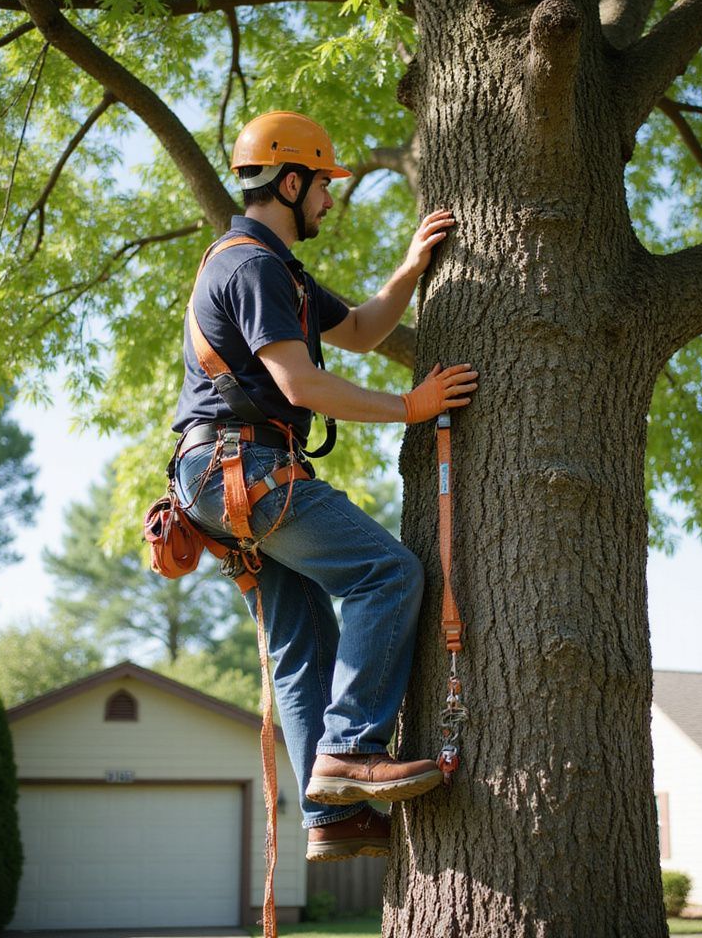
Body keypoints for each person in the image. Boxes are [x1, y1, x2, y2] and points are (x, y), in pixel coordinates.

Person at [171, 111, 478, 862]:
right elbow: (299, 384)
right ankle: (350, 751)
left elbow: (365, 330)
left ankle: (329, 814)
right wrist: (410, 408)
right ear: (293, 180)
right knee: (387, 573)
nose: (329, 202)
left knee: (306, 647)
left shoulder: (284, 275)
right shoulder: (249, 265)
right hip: (241, 470)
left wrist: (410, 267)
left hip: (225, 479)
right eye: (323, 187)